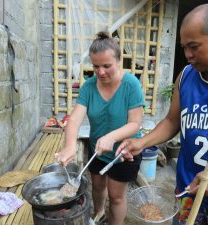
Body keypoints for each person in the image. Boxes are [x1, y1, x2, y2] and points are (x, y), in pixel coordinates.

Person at [114, 3, 208, 225]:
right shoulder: (187, 76)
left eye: (194, 46)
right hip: (187, 193)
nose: (187, 55)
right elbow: (172, 121)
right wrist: (141, 142)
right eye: (184, 47)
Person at [55, 31, 144, 225]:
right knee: (96, 187)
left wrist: (112, 137)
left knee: (116, 196)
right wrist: (70, 145)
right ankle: (99, 213)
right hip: (98, 149)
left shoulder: (131, 85)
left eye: (107, 66)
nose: (101, 72)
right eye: (96, 66)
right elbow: (76, 119)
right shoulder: (88, 86)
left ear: (119, 61)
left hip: (124, 152)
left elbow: (135, 124)